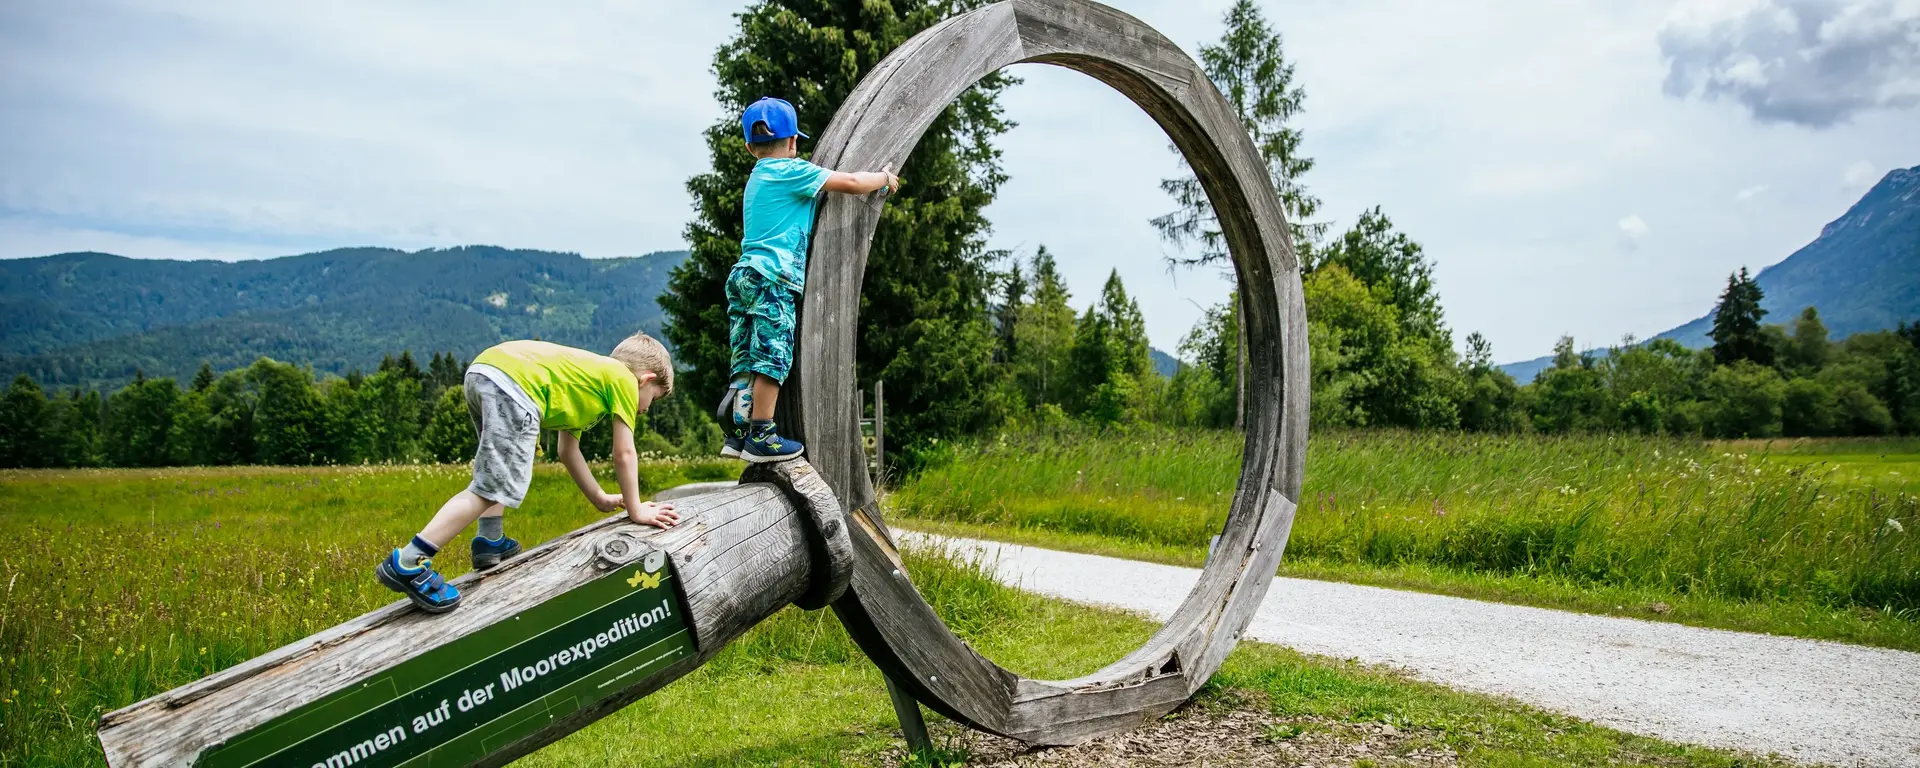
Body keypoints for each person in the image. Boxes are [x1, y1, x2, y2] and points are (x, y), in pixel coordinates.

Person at [375, 334, 682, 613]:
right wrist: (636, 508)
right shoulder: (623, 381)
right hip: (514, 385)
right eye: (653, 399)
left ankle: (489, 540)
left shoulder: (589, 386)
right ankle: (408, 562)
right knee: (489, 487)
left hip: (485, 371)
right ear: (646, 379)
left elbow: (567, 452)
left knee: (496, 473)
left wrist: (600, 498)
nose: (646, 409)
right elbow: (624, 453)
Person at [718, 96, 901, 462]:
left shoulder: (758, 178)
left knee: (747, 356)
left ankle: (736, 426)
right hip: (773, 277)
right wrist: (883, 178)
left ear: (748, 146)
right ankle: (762, 434)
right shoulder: (790, 171)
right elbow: (848, 181)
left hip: (744, 277)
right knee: (773, 355)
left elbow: (805, 205)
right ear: (793, 142)